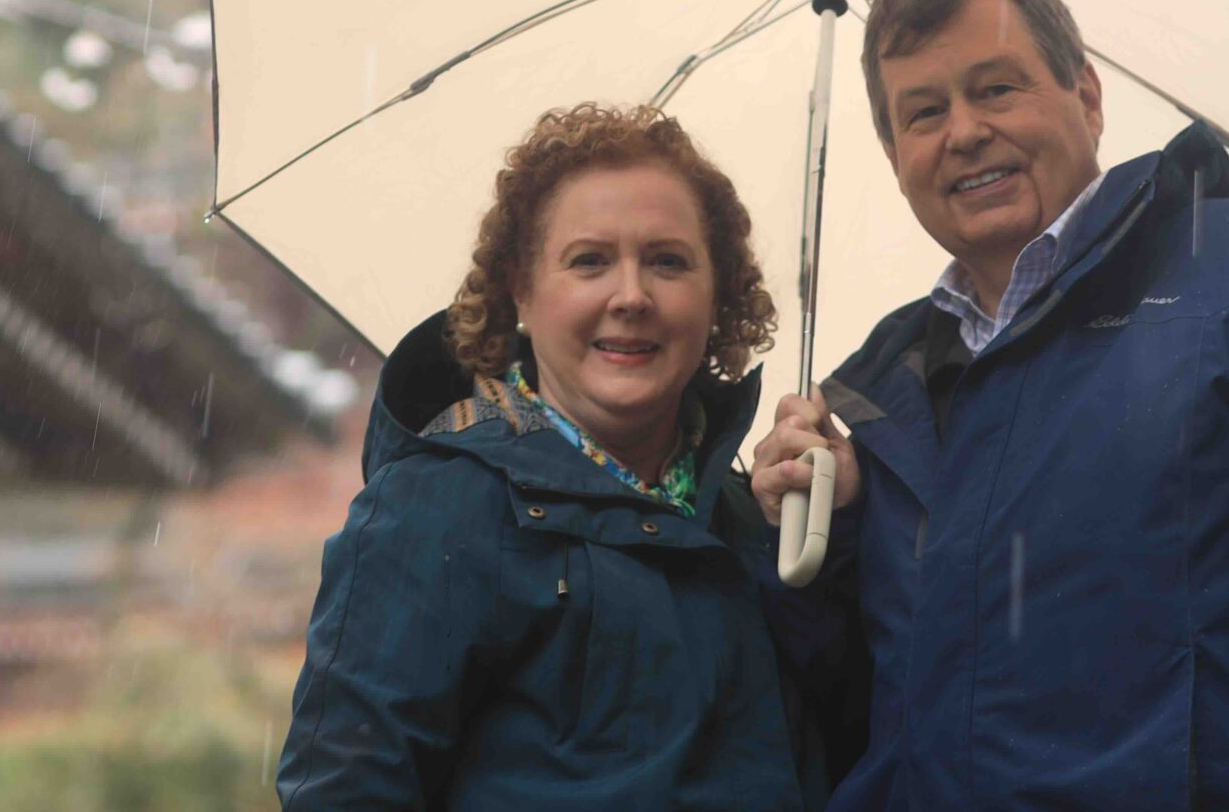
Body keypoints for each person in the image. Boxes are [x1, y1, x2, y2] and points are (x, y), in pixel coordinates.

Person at [750, 0, 1229, 810]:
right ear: (893, 152)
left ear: (1089, 98)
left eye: (996, 89)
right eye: (923, 111)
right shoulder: (878, 400)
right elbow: (849, 723)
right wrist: (823, 539)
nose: (962, 131)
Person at [278, 102, 827, 810]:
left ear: (718, 292)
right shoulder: (433, 509)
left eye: (667, 260)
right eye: (590, 260)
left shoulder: (754, 526)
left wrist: (820, 552)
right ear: (522, 291)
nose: (631, 295)